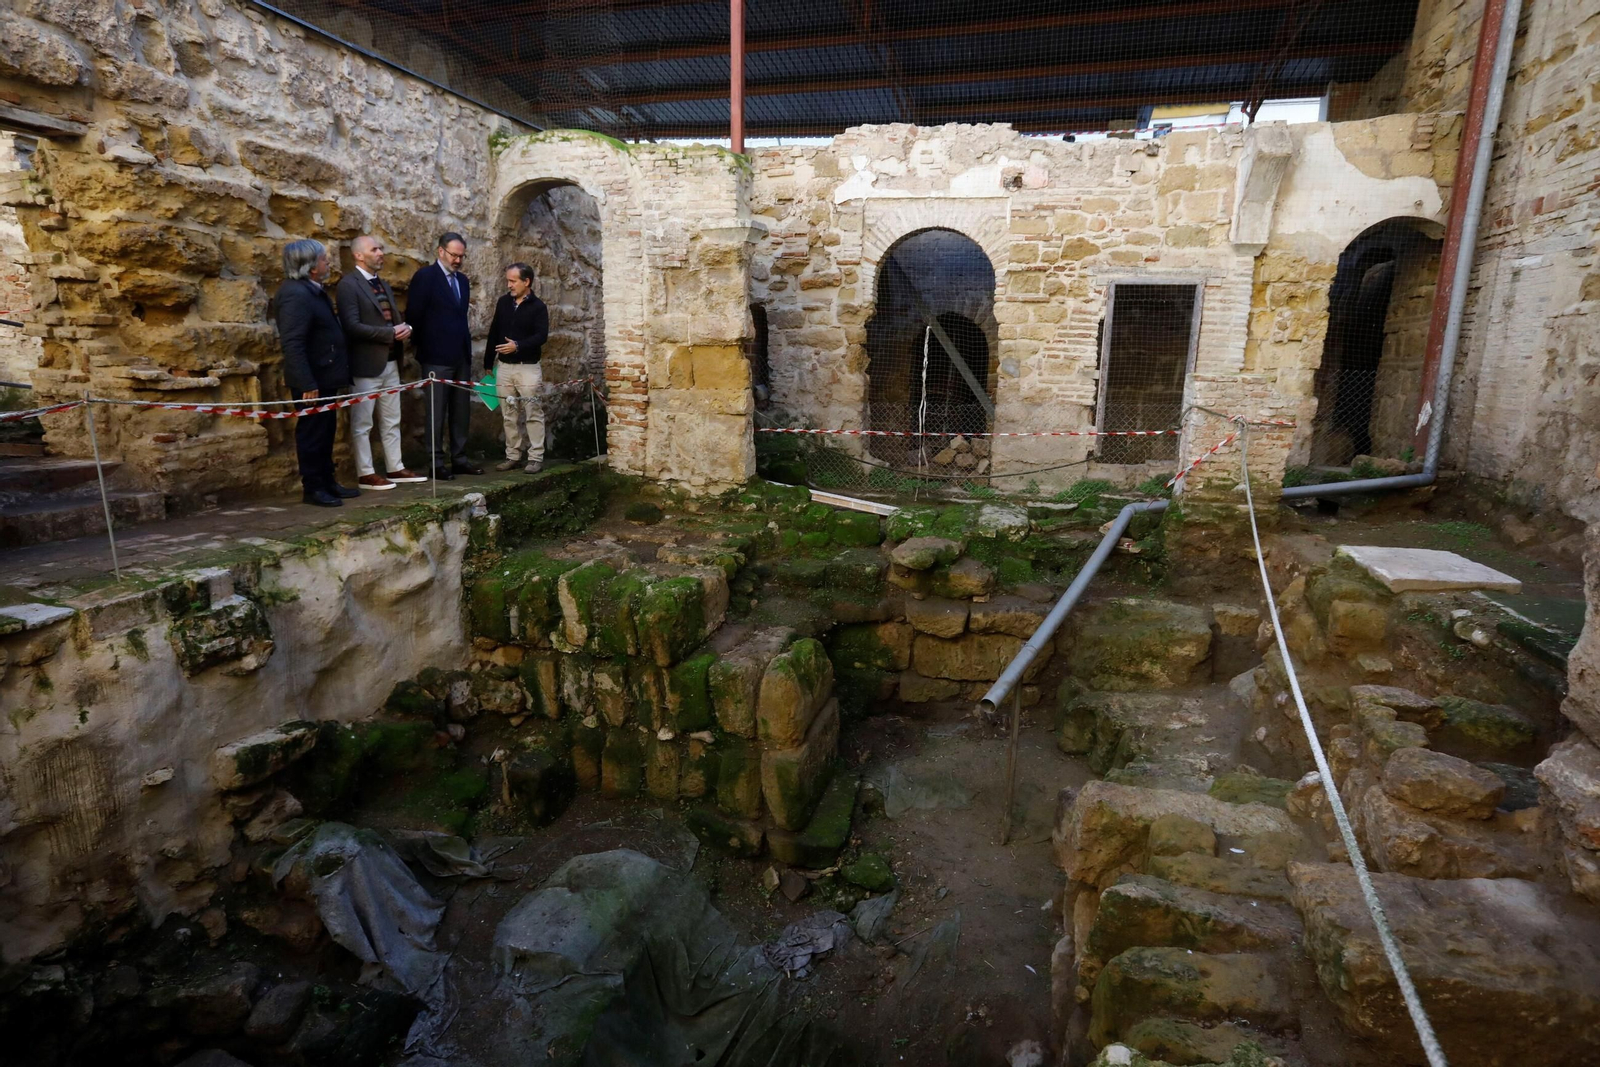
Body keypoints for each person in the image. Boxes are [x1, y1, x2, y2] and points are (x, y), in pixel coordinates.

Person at [336, 235, 426, 489]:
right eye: (374, 249)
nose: (380, 253)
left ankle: (395, 467)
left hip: (390, 363)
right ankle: (365, 473)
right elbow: (351, 326)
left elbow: (391, 319)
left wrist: (404, 328)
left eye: (381, 249)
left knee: (391, 418)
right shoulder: (348, 285)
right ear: (358, 255)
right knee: (363, 422)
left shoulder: (383, 284)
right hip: (365, 366)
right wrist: (389, 333)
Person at [274, 239, 358, 508]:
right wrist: (306, 382)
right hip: (312, 380)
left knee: (325, 430)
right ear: (310, 266)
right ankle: (313, 487)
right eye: (323, 259)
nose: (328, 263)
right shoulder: (294, 294)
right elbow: (293, 343)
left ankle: (327, 481)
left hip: (325, 377)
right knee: (312, 433)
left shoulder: (311, 291)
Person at [405, 232, 482, 480]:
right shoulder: (425, 277)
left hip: (460, 356)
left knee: (461, 411)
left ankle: (459, 458)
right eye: (454, 255)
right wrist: (423, 350)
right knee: (436, 411)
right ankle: (436, 462)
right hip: (435, 357)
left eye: (461, 256)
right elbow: (414, 315)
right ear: (440, 252)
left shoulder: (463, 281)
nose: (458, 260)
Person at [484, 262, 550, 474]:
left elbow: (541, 336)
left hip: (528, 368)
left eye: (513, 281)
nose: (509, 285)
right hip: (503, 368)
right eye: (508, 280)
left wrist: (518, 346)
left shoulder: (538, 307)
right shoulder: (503, 302)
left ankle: (536, 457)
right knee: (508, 413)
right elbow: (494, 330)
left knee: (533, 412)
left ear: (526, 282)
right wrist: (488, 362)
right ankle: (513, 455)